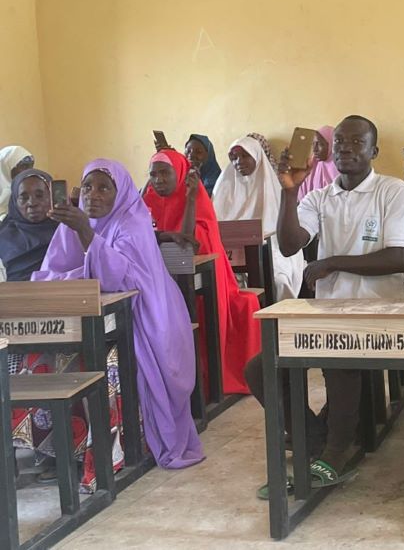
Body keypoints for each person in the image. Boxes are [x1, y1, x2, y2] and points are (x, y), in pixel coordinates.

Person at [16, 160, 204, 490]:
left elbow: (119, 280)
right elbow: (49, 276)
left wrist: (86, 237)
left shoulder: (132, 223)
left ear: (121, 193)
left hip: (144, 321)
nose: (93, 195)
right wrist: (81, 258)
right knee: (30, 363)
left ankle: (107, 455)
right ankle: (57, 451)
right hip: (88, 322)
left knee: (108, 367)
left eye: (104, 187)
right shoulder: (72, 225)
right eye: (87, 187)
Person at [276, 115, 404, 488]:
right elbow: (290, 243)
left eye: (356, 142)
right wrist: (289, 192)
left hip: (383, 309)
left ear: (374, 150)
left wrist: (332, 262)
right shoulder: (319, 197)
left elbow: (400, 257)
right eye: (339, 142)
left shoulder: (392, 190)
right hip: (332, 310)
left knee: (340, 354)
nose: (346, 149)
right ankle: (315, 438)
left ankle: (335, 450)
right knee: (262, 367)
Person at [143, 149, 261, 395]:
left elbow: (187, 247)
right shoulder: (148, 199)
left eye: (165, 173)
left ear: (181, 174)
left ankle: (203, 378)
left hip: (200, 280)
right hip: (161, 280)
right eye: (153, 175)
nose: (159, 180)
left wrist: (191, 199)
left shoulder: (197, 202)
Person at [212, 135, 305, 300]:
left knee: (278, 279)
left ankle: (278, 322)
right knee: (220, 281)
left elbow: (277, 228)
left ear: (257, 155)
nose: (238, 161)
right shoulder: (224, 185)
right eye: (233, 158)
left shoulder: (271, 184)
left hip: (271, 246)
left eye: (245, 156)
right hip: (232, 250)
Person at [0, 169, 57, 281]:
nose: (32, 203)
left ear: (52, 197)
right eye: (24, 197)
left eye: (39, 195)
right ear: (15, 202)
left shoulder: (67, 230)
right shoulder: (3, 236)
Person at [296, 126, 339, 201]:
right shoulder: (313, 165)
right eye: (313, 144)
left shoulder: (340, 169)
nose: (315, 149)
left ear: (332, 144)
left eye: (320, 144)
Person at [0, 146, 35, 222]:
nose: (29, 171)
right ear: (6, 167)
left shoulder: (31, 187)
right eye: (24, 166)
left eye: (31, 166)